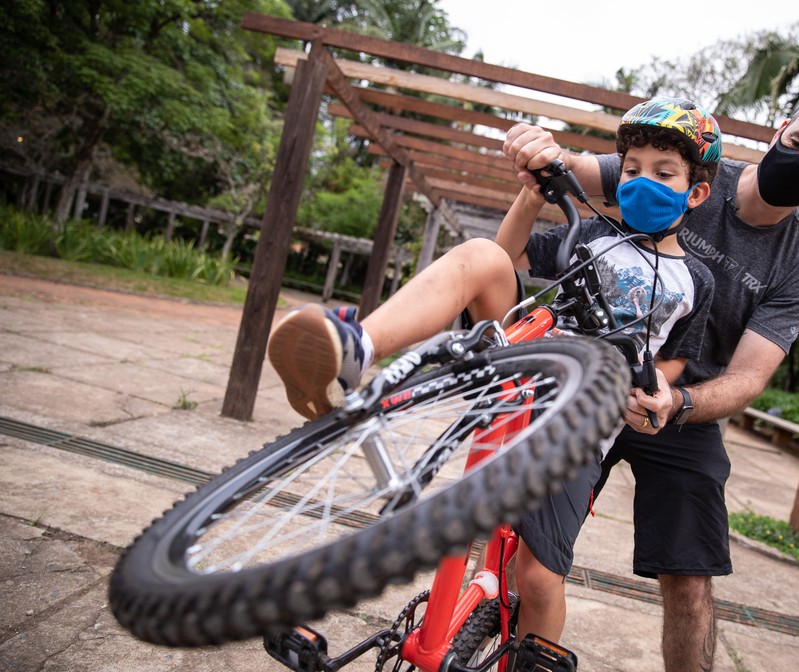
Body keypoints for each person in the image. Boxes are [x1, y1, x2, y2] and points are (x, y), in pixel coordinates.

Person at [266, 97, 724, 649]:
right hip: (522, 370)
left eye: (663, 172)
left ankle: (532, 659)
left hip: (580, 421)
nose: (641, 181)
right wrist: (530, 197)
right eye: (631, 169)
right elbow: (506, 256)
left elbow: (673, 359)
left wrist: (653, 397)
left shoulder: (696, 280)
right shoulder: (592, 236)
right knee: (481, 254)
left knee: (535, 577)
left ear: (695, 193)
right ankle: (357, 350)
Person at [502, 86, 799, 671]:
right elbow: (574, 168)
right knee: (514, 533)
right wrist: (537, 148)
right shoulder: (685, 161)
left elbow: (750, 376)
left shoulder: (798, 267)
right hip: (593, 377)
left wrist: (674, 401)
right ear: (781, 127)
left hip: (681, 403)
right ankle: (483, 634)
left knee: (691, 575)